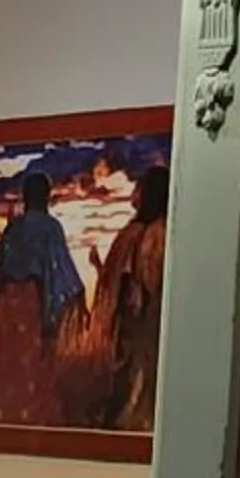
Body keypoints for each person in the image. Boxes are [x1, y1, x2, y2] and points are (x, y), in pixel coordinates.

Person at [0, 167, 84, 426]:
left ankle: (8, 418)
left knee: (11, 362)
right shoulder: (50, 227)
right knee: (35, 362)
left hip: (11, 304)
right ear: (46, 197)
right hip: (35, 301)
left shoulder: (14, 228)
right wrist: (77, 296)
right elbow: (62, 269)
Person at [95, 162, 170, 430]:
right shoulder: (139, 233)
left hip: (148, 319)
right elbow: (115, 281)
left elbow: (147, 279)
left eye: (139, 190)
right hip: (133, 321)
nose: (133, 196)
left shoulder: (158, 233)